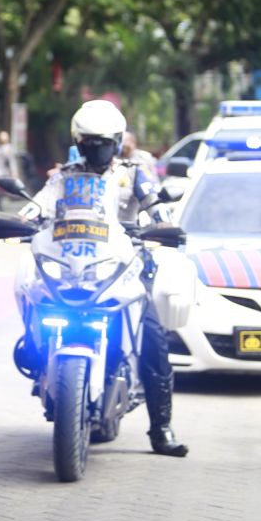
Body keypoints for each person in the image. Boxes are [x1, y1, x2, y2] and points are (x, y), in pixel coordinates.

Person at [29, 100, 187, 457]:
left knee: (154, 338)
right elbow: (39, 203)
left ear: (117, 141)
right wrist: (22, 220)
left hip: (124, 266)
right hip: (73, 265)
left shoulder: (132, 174)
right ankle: (41, 365)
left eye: (105, 142)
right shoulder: (66, 176)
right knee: (34, 299)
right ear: (78, 141)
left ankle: (161, 429)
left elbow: (154, 206)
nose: (97, 148)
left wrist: (163, 225)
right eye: (90, 142)